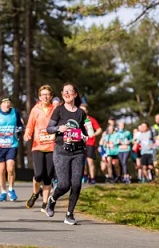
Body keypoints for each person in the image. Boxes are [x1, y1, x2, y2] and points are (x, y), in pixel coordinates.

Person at [44, 83, 91, 225]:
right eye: (65, 91)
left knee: (76, 184)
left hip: (78, 152)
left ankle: (69, 215)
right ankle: (52, 200)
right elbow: (49, 129)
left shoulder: (81, 113)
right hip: (61, 151)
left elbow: (86, 131)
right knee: (64, 185)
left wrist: (85, 136)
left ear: (75, 94)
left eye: (70, 91)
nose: (67, 93)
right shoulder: (58, 110)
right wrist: (60, 128)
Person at [0, 97, 24, 202]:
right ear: (0, 104)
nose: (6, 105)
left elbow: (20, 125)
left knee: (10, 168)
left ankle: (11, 189)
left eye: (8, 102)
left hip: (12, 144)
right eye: (4, 103)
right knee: (1, 169)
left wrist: (19, 130)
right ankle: (3, 191)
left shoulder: (15, 112)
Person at [23, 85, 56, 212]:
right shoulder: (35, 110)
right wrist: (27, 134)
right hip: (38, 146)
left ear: (51, 96)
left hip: (52, 147)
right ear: (39, 97)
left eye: (47, 94)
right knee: (38, 174)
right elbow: (30, 125)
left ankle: (45, 202)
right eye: (43, 94)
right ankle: (35, 193)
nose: (45, 96)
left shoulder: (55, 109)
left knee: (48, 176)